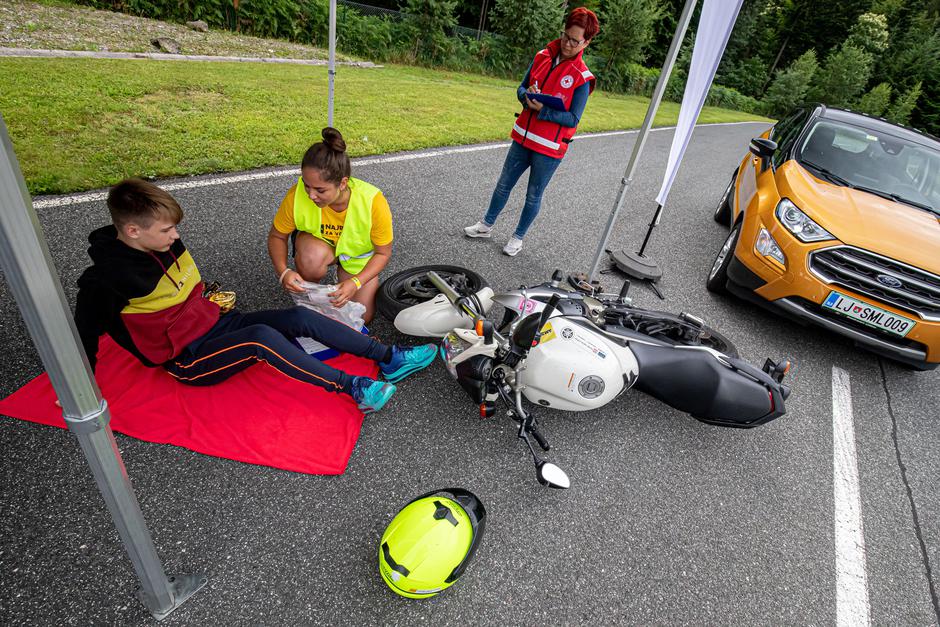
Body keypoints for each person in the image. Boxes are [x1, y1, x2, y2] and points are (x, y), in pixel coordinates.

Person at [74, 178, 436, 414]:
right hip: (187, 357)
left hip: (215, 322)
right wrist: (82, 383)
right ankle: (352, 388)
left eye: (175, 227)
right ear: (134, 231)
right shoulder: (106, 280)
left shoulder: (164, 241)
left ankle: (389, 357)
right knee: (262, 339)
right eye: (167, 229)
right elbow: (84, 331)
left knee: (296, 317)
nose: (175, 235)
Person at [464, 7, 599, 257]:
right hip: (522, 138)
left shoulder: (583, 77)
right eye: (565, 36)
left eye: (574, 40)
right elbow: (521, 87)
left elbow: (573, 118)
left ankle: (518, 237)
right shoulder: (541, 56)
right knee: (503, 185)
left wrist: (542, 110)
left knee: (533, 195)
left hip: (549, 149)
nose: (567, 43)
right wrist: (526, 97)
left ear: (586, 42)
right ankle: (486, 225)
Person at [268, 127, 392, 323]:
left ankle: (343, 279)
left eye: (320, 190)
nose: (310, 195)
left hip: (356, 258)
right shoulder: (296, 195)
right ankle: (310, 291)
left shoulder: (373, 201)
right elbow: (277, 236)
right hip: (318, 247)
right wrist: (283, 271)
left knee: (362, 316)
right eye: (306, 185)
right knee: (311, 260)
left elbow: (383, 253)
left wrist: (355, 282)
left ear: (343, 183)